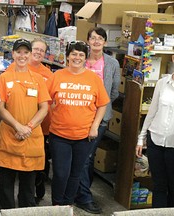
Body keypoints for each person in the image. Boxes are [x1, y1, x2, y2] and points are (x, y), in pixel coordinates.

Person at [46, 40, 110, 206]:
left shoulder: (93, 79)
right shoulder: (57, 76)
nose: (77, 57)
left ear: (85, 58)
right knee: (60, 173)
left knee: (76, 173)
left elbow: (102, 104)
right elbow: (44, 101)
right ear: (67, 56)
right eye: (74, 54)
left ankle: (68, 205)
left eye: (81, 54)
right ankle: (57, 205)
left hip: (84, 136)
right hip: (59, 135)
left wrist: (95, 126)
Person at [0, 39, 51, 210]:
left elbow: (44, 107)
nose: (22, 56)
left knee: (27, 188)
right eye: (19, 52)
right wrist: (18, 127)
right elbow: (0, 107)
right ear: (13, 54)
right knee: (5, 186)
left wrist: (28, 127)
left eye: (26, 52)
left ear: (30, 54)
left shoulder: (38, 79)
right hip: (9, 137)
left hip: (31, 139)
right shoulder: (4, 78)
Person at [75, 27, 120, 214]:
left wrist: (100, 107)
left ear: (105, 42)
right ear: (87, 41)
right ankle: (82, 193)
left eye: (99, 39)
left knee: (86, 157)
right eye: (92, 38)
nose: (96, 42)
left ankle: (83, 196)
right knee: (85, 157)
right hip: (78, 115)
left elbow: (114, 92)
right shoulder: (79, 59)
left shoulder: (112, 63)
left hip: (100, 118)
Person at [136, 56, 174, 208]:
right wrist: (141, 138)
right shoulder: (162, 83)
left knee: (173, 187)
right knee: (158, 185)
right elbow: (152, 112)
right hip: (155, 140)